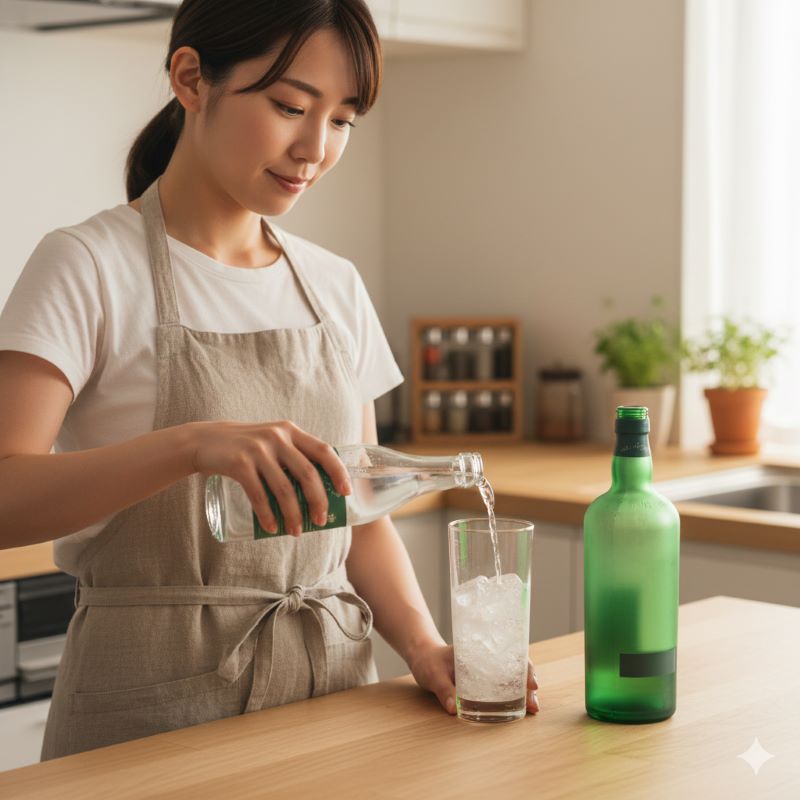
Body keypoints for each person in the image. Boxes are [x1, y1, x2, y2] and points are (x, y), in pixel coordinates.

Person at [0, 0, 539, 760]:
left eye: (344, 119)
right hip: (149, 718)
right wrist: (191, 446)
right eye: (290, 106)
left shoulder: (334, 284)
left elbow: (358, 512)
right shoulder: (86, 265)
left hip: (332, 700)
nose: (314, 148)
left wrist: (424, 648)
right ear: (191, 78)